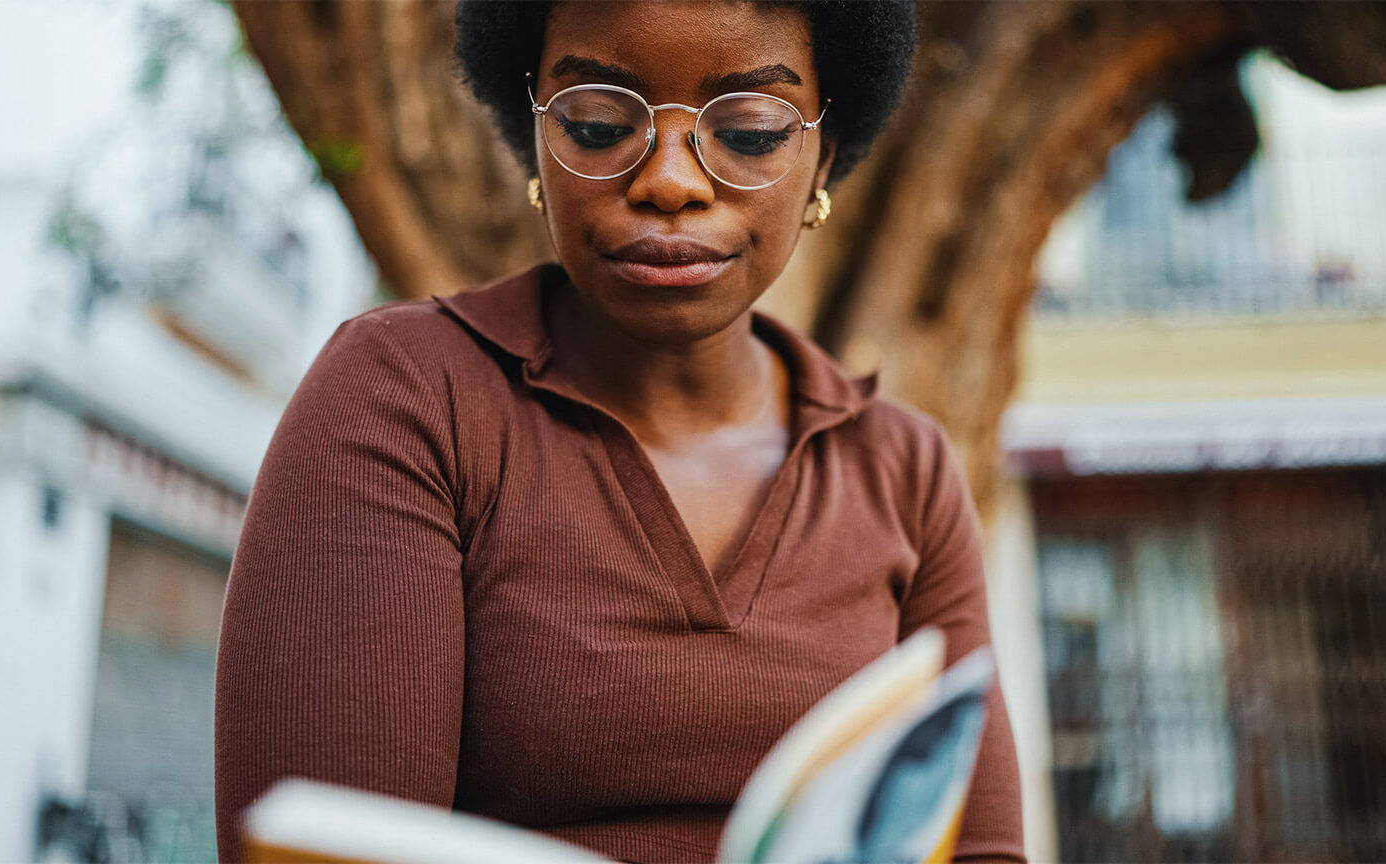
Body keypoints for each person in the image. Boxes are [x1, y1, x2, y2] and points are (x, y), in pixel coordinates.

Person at [213, 2, 1024, 862]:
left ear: (822, 156)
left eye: (749, 131)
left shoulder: (904, 470)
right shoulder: (408, 398)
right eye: (598, 123)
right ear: (534, 139)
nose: (670, 182)